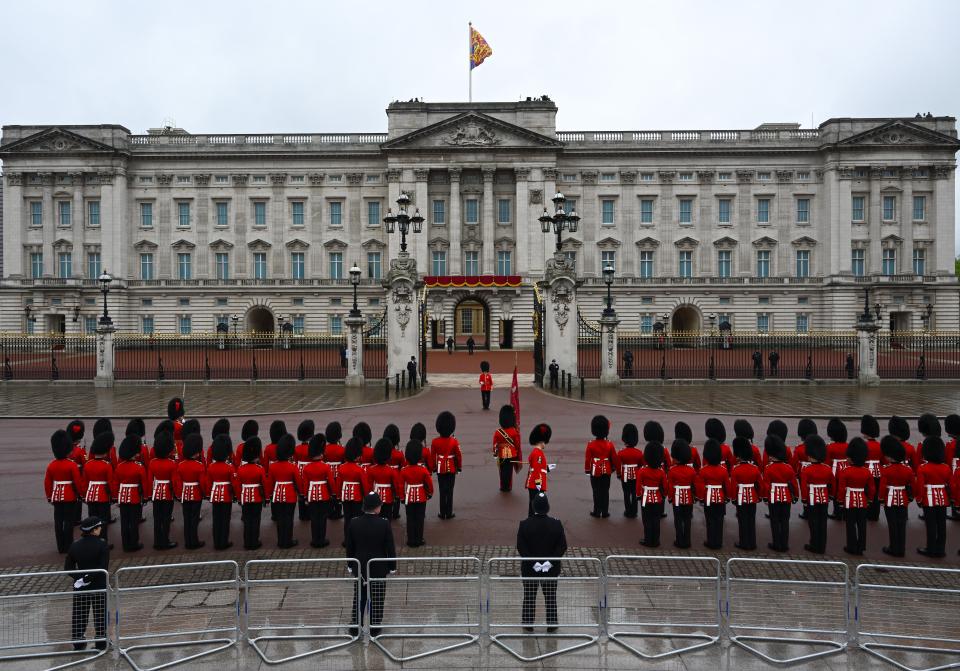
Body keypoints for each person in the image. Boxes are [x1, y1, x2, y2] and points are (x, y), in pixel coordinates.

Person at [346, 492, 397, 637]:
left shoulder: (354, 522)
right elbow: (390, 547)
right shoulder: (384, 523)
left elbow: (350, 547)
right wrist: (392, 566)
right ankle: (375, 627)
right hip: (379, 567)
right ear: (376, 508)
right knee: (378, 597)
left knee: (359, 597)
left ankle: (356, 625)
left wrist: (350, 564)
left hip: (360, 566)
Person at [517, 492, 567, 632]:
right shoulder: (556, 524)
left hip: (530, 568)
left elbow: (521, 547)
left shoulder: (524, 524)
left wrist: (534, 563)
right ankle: (551, 623)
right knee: (550, 596)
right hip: (550, 569)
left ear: (534, 507)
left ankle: (528, 623)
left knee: (529, 596)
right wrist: (549, 562)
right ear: (547, 507)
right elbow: (562, 546)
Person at [65, 516, 109, 652]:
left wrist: (81, 578)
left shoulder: (74, 545)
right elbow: (103, 567)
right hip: (98, 586)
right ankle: (101, 642)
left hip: (80, 587)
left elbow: (68, 568)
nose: (100, 529)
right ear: (94, 530)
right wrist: (88, 578)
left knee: (79, 614)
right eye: (99, 527)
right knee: (100, 614)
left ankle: (78, 642)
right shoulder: (102, 545)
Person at [45, 429, 85, 553]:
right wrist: (81, 494)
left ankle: (60, 546)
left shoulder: (51, 465)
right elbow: (77, 482)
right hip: (69, 496)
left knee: (58, 522)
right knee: (68, 521)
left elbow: (47, 483)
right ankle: (68, 544)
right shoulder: (72, 465)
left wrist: (49, 497)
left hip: (56, 496)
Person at [837, 437, 874, 555]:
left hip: (849, 501)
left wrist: (840, 501)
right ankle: (861, 546)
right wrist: (870, 500)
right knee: (862, 525)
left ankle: (851, 546)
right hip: (863, 501)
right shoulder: (867, 471)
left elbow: (842, 489)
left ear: (851, 458)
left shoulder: (845, 471)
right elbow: (872, 488)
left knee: (850, 525)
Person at [113, 435, 149, 552]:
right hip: (135, 497)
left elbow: (116, 483)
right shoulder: (139, 467)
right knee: (134, 522)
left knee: (124, 521)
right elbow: (144, 484)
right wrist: (145, 497)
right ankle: (134, 543)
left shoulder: (119, 467)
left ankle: (125, 543)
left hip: (122, 497)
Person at [916, 436, 951, 557]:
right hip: (942, 498)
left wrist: (919, 500)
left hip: (928, 499)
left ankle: (930, 548)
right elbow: (950, 484)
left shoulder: (923, 468)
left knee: (931, 524)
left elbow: (920, 487)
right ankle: (940, 549)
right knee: (942, 524)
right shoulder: (946, 467)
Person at [763, 434, 797, 553]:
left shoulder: (768, 468)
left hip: (773, 497)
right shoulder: (788, 467)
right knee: (785, 521)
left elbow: (766, 485)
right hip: (786, 497)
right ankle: (784, 544)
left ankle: (776, 543)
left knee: (775, 521)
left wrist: (766, 498)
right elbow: (793, 484)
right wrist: (795, 496)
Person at [879, 436, 913, 557]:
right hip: (903, 499)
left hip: (889, 499)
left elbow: (883, 487)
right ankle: (901, 548)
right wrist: (910, 497)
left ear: (889, 456)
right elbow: (911, 485)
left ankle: (893, 548)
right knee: (901, 524)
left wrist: (881, 499)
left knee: (892, 524)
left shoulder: (886, 470)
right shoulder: (907, 469)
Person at [799, 434, 833, 554]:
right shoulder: (827, 468)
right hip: (824, 498)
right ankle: (822, 546)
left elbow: (804, 487)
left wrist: (804, 499)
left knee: (813, 522)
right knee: (823, 522)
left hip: (812, 498)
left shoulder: (806, 470)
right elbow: (831, 484)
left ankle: (814, 544)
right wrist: (830, 495)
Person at [301, 434, 335, 547]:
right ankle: (322, 539)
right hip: (324, 495)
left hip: (311, 495)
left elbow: (305, 485)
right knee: (323, 518)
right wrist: (332, 494)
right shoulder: (325, 467)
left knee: (314, 518)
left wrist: (305, 497)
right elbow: (331, 482)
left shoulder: (306, 468)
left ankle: (315, 539)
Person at [729, 436, 761, 550]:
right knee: (751, 519)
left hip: (740, 497)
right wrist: (760, 496)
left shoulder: (736, 469)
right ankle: (752, 542)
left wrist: (733, 498)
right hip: (753, 497)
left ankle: (744, 542)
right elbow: (759, 484)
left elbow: (733, 486)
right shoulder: (755, 468)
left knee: (742, 520)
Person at [174, 433, 206, 549]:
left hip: (184, 495)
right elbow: (202, 483)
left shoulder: (181, 465)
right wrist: (204, 493)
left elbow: (178, 482)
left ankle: (188, 541)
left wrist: (179, 494)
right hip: (196, 495)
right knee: (194, 519)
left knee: (186, 519)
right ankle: (194, 541)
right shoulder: (199, 466)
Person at [269, 434, 301, 548]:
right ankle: (288, 540)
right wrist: (301, 492)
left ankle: (280, 540)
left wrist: (269, 495)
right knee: (288, 518)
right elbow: (298, 482)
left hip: (277, 495)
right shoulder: (292, 466)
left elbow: (270, 483)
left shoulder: (272, 466)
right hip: (289, 495)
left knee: (280, 519)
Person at [236, 437, 269, 550]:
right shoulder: (260, 469)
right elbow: (264, 485)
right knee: (255, 519)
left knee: (247, 519)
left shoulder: (240, 469)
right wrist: (266, 497)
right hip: (257, 498)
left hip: (245, 497)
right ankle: (254, 541)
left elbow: (238, 485)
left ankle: (247, 541)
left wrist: (239, 499)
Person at [697, 439, 729, 550]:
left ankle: (711, 541)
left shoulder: (703, 470)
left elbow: (701, 487)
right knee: (719, 520)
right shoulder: (723, 470)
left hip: (708, 498)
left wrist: (700, 498)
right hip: (720, 498)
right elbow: (727, 486)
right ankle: (718, 541)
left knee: (710, 520)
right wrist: (727, 497)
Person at [84, 432, 115, 549]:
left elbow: (85, 482)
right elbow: (111, 482)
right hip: (103, 496)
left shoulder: (88, 464)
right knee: (103, 521)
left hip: (91, 495)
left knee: (92, 520)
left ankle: (92, 542)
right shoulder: (107, 465)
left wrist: (85, 495)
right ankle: (103, 542)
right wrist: (113, 496)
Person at [399, 440, 433, 547]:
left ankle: (411, 540)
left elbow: (400, 485)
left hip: (409, 496)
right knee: (420, 518)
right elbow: (429, 483)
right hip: (421, 497)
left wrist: (402, 497)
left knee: (410, 518)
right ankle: (419, 539)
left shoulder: (404, 470)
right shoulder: (423, 470)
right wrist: (429, 493)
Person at [206, 434, 236, 551]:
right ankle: (223, 541)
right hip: (226, 496)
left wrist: (209, 494)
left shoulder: (211, 467)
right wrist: (235, 495)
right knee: (225, 519)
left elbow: (208, 483)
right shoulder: (230, 467)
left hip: (215, 495)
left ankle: (216, 541)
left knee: (216, 519)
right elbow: (234, 483)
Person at [148, 431, 178, 550]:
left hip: (156, 492)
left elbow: (150, 480)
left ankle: (157, 541)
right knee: (166, 518)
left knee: (157, 518)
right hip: (167, 493)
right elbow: (174, 482)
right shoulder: (171, 464)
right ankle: (165, 541)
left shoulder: (152, 462)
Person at [585, 415, 618, 518]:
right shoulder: (609, 444)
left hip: (595, 470)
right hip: (607, 470)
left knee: (596, 491)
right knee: (605, 491)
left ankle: (596, 511)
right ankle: (605, 511)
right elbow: (614, 458)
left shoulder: (591, 444)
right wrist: (614, 468)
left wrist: (587, 470)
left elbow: (588, 459)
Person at [431, 411, 462, 519]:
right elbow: (458, 456)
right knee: (450, 490)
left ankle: (442, 512)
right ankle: (449, 513)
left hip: (440, 468)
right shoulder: (454, 441)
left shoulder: (435, 441)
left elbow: (432, 456)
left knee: (442, 490)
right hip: (451, 468)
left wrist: (434, 467)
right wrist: (459, 467)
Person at [338, 438, 370, 541]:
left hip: (345, 496)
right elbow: (365, 486)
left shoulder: (342, 467)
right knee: (357, 519)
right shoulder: (359, 469)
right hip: (357, 497)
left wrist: (338, 496)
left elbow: (339, 484)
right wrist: (366, 497)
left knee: (347, 519)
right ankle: (356, 540)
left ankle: (347, 539)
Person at [667, 439, 696, 549]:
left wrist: (670, 497)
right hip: (688, 497)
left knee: (678, 520)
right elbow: (694, 485)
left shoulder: (672, 470)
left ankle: (680, 540)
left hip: (677, 498)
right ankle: (687, 540)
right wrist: (695, 496)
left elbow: (670, 486)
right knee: (687, 519)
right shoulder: (691, 470)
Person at [637, 442, 667, 547]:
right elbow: (665, 486)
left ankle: (648, 540)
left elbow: (638, 486)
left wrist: (638, 495)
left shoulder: (642, 471)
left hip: (646, 499)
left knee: (647, 521)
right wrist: (664, 495)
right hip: (658, 499)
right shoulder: (661, 472)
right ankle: (656, 540)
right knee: (656, 520)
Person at [367, 438, 401, 524]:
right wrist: (396, 496)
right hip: (388, 499)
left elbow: (369, 486)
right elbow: (395, 486)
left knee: (375, 521)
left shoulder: (371, 470)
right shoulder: (391, 471)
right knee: (386, 521)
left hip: (375, 498)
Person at [525, 424, 554, 517]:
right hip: (536, 484)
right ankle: (533, 521)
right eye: (544, 442)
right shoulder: (538, 453)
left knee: (533, 503)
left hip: (535, 483)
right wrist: (538, 484)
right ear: (541, 442)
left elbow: (539, 468)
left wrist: (548, 468)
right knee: (535, 504)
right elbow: (537, 470)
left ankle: (532, 519)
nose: (545, 444)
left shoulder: (536, 452)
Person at [493, 405, 522, 493]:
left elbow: (495, 444)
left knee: (502, 470)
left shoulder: (498, 432)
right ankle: (507, 486)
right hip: (511, 453)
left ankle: (503, 486)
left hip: (501, 453)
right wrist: (517, 451)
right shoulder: (514, 431)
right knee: (509, 471)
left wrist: (495, 453)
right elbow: (517, 443)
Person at [792, 419, 817, 520]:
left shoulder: (799, 448)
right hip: (817, 470)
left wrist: (795, 473)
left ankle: (806, 511)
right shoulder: (818, 446)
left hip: (803, 471)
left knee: (805, 490)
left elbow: (794, 463)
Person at [617, 424, 643, 518]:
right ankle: (634, 511)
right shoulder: (639, 453)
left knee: (626, 494)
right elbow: (641, 465)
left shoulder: (621, 452)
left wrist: (619, 474)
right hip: (636, 475)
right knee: (635, 493)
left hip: (625, 475)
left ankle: (628, 511)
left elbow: (618, 465)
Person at [826, 418, 849, 520]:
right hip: (846, 469)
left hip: (835, 471)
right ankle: (845, 511)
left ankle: (837, 512)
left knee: (835, 492)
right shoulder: (847, 445)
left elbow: (826, 462)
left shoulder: (830, 447)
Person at [861, 415, 883, 521]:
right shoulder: (880, 445)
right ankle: (875, 514)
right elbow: (883, 460)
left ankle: (867, 513)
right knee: (876, 494)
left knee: (866, 493)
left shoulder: (864, 445)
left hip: (866, 472)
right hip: (878, 472)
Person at [323, 422, 345, 520]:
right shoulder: (341, 449)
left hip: (327, 473)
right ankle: (338, 512)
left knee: (329, 492)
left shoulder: (324, 448)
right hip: (338, 473)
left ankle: (329, 511)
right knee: (338, 492)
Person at [295, 420, 315, 521]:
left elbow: (295, 460)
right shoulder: (311, 448)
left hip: (299, 471)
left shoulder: (297, 448)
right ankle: (309, 513)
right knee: (309, 490)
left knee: (301, 493)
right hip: (310, 471)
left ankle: (302, 514)